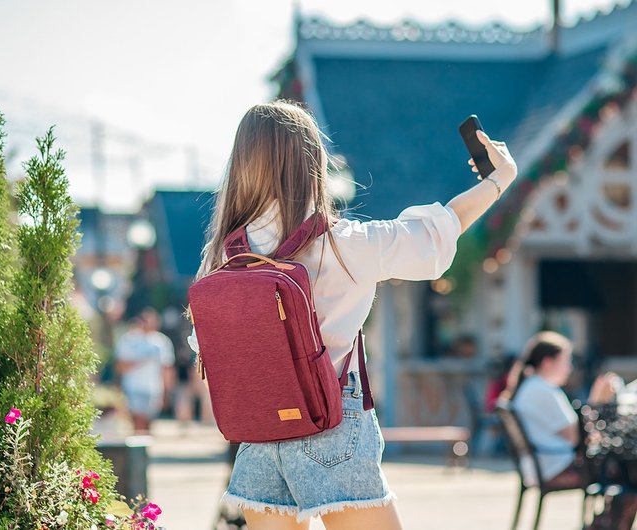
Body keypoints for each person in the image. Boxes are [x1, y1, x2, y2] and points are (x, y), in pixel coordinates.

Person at [187, 100, 517, 530]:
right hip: (330, 423)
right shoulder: (345, 244)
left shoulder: (223, 255)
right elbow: (438, 232)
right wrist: (498, 180)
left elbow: (206, 349)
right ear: (311, 163)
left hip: (259, 435)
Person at [503, 332, 635, 529]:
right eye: (565, 361)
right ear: (548, 362)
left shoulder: (532, 387)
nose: (569, 368)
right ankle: (604, 525)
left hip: (545, 464)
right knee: (631, 472)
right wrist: (597, 401)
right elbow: (579, 438)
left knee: (628, 471)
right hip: (557, 466)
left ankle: (602, 524)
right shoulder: (543, 390)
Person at [115, 308, 175, 433]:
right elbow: (119, 366)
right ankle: (138, 449)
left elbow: (167, 368)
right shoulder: (128, 340)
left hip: (153, 388)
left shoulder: (162, 342)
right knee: (137, 420)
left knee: (148, 421)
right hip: (133, 387)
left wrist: (167, 392)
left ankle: (144, 448)